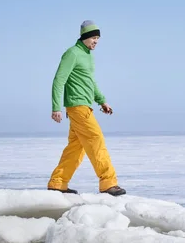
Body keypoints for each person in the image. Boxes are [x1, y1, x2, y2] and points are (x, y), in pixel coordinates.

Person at [47, 20, 126, 196]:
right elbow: (59, 80)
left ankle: (57, 182)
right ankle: (108, 183)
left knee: (76, 147)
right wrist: (56, 107)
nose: (96, 41)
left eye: (98, 38)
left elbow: (90, 82)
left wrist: (102, 100)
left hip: (85, 106)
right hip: (77, 106)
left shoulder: (88, 56)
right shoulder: (72, 54)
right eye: (93, 37)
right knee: (96, 140)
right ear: (84, 37)